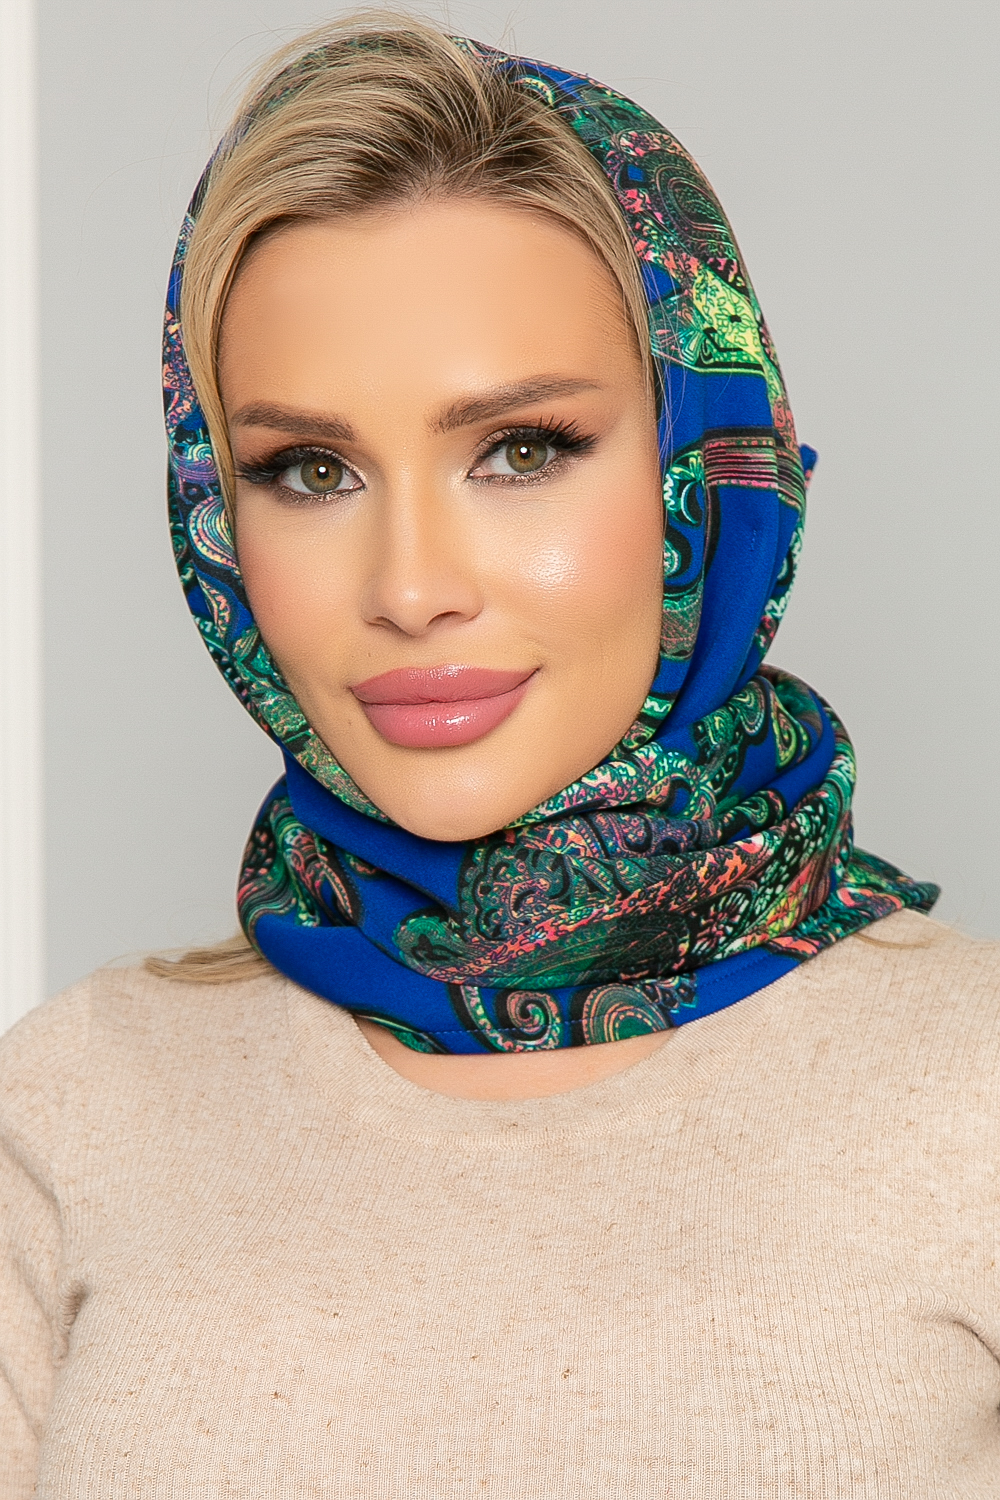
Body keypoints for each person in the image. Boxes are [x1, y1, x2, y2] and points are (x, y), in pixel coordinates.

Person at [2, 13, 998, 1495]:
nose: (411, 587)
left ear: (708, 473)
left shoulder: (975, 1093)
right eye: (309, 470)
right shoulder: (74, 1106)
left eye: (522, 449)